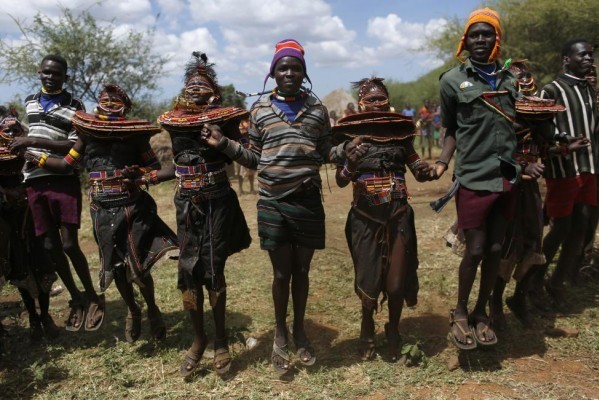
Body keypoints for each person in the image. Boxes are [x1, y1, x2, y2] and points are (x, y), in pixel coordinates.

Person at [200, 39, 351, 374]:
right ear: (273, 72)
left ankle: (300, 330)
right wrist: (224, 145)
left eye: (296, 67)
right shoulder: (260, 111)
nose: (289, 72)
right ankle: (280, 334)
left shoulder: (316, 110)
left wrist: (349, 150)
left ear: (304, 72)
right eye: (283, 67)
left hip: (308, 200)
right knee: (282, 272)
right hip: (272, 203)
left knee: (302, 272)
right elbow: (254, 157)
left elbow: (327, 152)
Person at [26, 84, 178, 343]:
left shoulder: (135, 135)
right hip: (101, 209)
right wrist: (37, 158)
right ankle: (133, 310)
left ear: (125, 107)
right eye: (104, 98)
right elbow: (66, 164)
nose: (108, 102)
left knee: (138, 267)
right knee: (116, 267)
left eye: (115, 99)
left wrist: (139, 177)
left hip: (132, 206)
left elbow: (153, 168)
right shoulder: (86, 132)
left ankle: (153, 310)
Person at [157, 52, 251, 378]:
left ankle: (222, 340)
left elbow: (252, 158)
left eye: (203, 84)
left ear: (214, 91)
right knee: (187, 273)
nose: (195, 88)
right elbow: (181, 163)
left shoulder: (226, 119)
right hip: (185, 203)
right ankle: (199, 339)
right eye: (190, 84)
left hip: (217, 202)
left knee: (213, 269)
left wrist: (223, 142)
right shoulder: (173, 120)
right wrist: (154, 176)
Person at [434, 8, 520, 349]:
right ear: (465, 40)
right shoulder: (452, 81)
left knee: (498, 248)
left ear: (496, 38)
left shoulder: (510, 80)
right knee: (476, 248)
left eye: (487, 34)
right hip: (472, 175)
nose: (480, 40)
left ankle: (482, 312)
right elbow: (451, 129)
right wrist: (442, 162)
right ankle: (459, 311)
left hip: (506, 175)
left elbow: (521, 122)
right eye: (474, 34)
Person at [334, 77, 433, 361]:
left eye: (382, 98)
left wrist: (427, 169)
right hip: (365, 218)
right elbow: (341, 181)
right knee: (368, 277)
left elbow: (416, 167)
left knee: (396, 282)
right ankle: (367, 328)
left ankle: (393, 328)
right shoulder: (349, 135)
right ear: (361, 102)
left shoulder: (402, 132)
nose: (378, 103)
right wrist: (351, 163)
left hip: (399, 216)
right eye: (372, 98)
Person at [9, 54, 104, 332]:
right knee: (50, 247)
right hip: (34, 180)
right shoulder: (29, 101)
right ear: (39, 73)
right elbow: (30, 134)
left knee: (69, 244)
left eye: (57, 74)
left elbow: (76, 144)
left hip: (62, 177)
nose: (51, 77)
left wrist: (33, 141)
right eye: (47, 72)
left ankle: (92, 295)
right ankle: (75, 298)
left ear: (66, 77)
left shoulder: (76, 106)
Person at [488, 61, 573, 329]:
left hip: (530, 192)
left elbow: (540, 149)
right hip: (506, 188)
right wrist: (523, 165)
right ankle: (494, 304)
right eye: (516, 77)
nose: (523, 81)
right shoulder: (499, 113)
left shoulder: (540, 115)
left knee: (533, 243)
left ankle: (520, 298)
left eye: (526, 76)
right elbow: (494, 152)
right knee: (505, 245)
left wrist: (562, 148)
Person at [528, 39, 597, 312]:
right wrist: (564, 145)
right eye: (582, 55)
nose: (589, 59)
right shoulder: (551, 91)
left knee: (581, 228)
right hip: (564, 170)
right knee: (560, 229)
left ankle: (557, 283)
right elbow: (538, 131)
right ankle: (531, 282)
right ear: (566, 59)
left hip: (590, 168)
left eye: (591, 55)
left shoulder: (590, 90)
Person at [0, 110, 61, 341]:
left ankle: (45, 316)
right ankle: (34, 318)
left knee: (41, 262)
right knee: (19, 265)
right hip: (6, 217)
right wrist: (6, 194)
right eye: (5, 129)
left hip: (33, 212)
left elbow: (41, 174)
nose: (10, 132)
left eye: (15, 129)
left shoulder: (29, 152)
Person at [237, 118, 257, 194]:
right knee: (240, 172)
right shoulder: (239, 124)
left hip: (250, 149)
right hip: (240, 150)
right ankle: (240, 189)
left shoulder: (250, 122)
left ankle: (252, 188)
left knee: (251, 170)